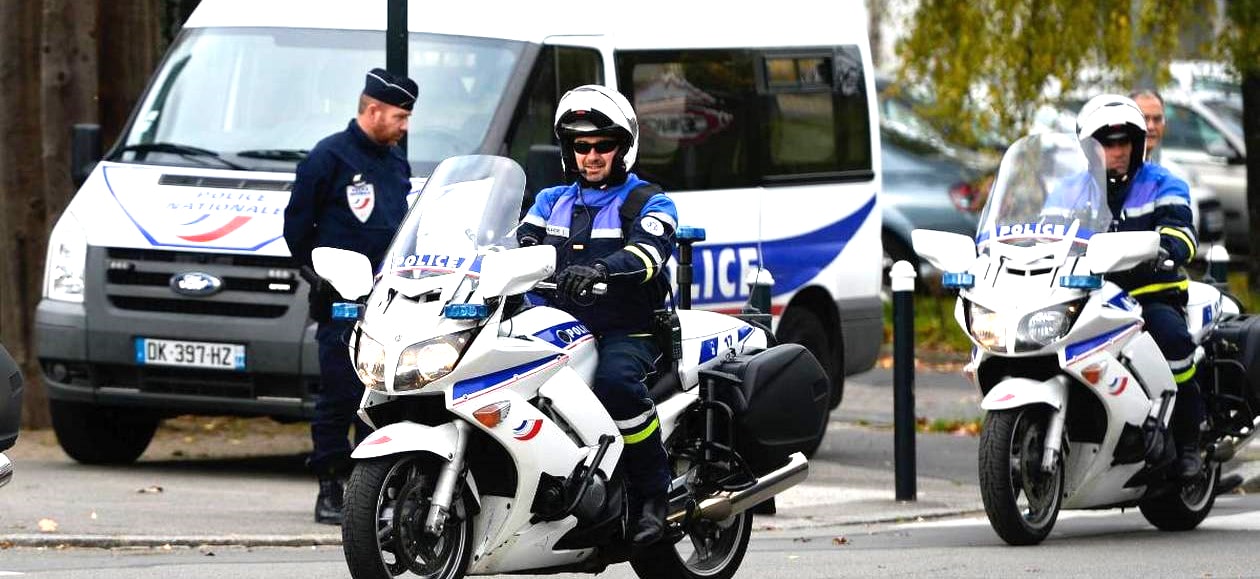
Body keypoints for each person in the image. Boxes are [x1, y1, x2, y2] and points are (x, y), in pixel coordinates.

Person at [517, 84, 677, 545]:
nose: (591, 156)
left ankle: (653, 494)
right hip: (556, 326)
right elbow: (519, 243)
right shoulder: (551, 200)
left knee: (616, 386)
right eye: (581, 146)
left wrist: (602, 267)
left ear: (623, 148)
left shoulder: (648, 201)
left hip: (628, 330)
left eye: (602, 145)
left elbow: (649, 253)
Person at [283, 67, 417, 525]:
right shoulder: (328, 158)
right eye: (399, 117)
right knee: (339, 394)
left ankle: (373, 491)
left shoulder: (395, 160)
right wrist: (318, 274)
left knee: (380, 395)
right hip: (342, 300)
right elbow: (297, 230)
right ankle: (330, 486)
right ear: (372, 110)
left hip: (390, 302)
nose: (405, 127)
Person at [1076, 94, 1203, 478]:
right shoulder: (1072, 190)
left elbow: (1182, 231)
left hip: (1148, 297)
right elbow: (1040, 231)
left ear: (1135, 144)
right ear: (1090, 148)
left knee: (1173, 343)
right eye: (1106, 143)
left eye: (1123, 142)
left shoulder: (1163, 183)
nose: (1116, 151)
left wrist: (1167, 246)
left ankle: (1189, 441)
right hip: (1088, 298)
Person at [1130, 89, 1167, 163]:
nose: (1151, 127)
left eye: (1157, 119)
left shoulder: (1160, 173)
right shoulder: (1107, 171)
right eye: (1143, 119)